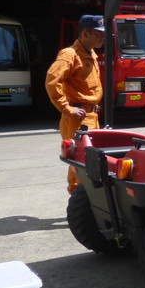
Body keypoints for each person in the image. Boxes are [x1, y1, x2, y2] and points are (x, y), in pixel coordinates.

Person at [45, 14, 105, 194]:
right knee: (80, 161)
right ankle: (79, 201)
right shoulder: (70, 55)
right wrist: (67, 108)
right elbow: (52, 81)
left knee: (89, 160)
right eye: (98, 34)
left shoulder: (91, 54)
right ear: (85, 33)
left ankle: (85, 200)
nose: (103, 38)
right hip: (78, 118)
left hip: (90, 116)